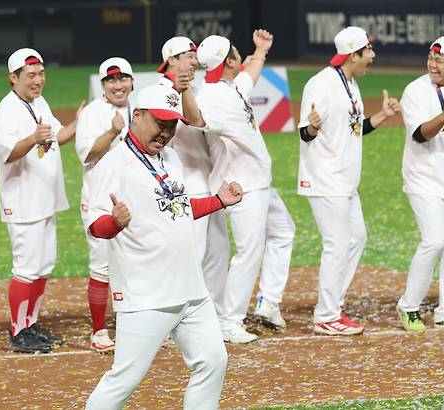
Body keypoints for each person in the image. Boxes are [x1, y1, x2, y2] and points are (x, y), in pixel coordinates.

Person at [85, 84, 237, 410]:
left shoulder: (170, 158)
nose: (166, 132)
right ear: (137, 115)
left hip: (191, 290)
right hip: (147, 295)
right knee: (123, 381)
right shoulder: (113, 165)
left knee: (212, 361)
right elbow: (96, 227)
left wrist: (219, 201)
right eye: (160, 122)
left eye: (172, 124)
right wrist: (116, 223)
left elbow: (177, 207)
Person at [298, 26, 400, 335]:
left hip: (345, 182)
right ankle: (326, 315)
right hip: (326, 178)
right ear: (353, 55)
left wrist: (381, 116)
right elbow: (305, 132)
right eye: (368, 51)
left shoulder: (350, 83)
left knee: (357, 238)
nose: (372, 56)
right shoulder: (323, 84)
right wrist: (313, 127)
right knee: (337, 244)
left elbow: (354, 127)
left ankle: (333, 305)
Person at [195, 31, 296, 343]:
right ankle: (229, 320)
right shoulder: (211, 97)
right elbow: (196, 118)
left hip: (257, 181)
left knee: (283, 232)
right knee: (248, 252)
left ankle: (267, 302)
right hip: (240, 185)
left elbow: (247, 77)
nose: (242, 56)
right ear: (228, 61)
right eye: (237, 53)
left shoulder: (227, 86)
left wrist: (260, 51)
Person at [0, 48, 83, 354]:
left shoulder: (39, 102)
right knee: (27, 268)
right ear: (13, 78)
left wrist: (80, 122)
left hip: (46, 199)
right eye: (30, 75)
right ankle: (18, 332)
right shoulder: (6, 111)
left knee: (44, 265)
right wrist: (33, 138)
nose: (37, 80)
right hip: (23, 202)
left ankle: (31, 324)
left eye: (41, 73)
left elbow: (59, 135)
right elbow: (8, 153)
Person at [156, 37, 232, 335]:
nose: (193, 59)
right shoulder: (161, 91)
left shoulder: (195, 88)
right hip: (183, 185)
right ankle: (174, 321)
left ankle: (210, 316)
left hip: (208, 182)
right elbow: (192, 120)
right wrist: (181, 87)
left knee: (218, 252)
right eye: (187, 55)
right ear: (171, 60)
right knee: (192, 255)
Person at [397, 35, 444, 331]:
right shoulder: (416, 91)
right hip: (424, 178)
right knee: (435, 240)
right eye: (430, 59)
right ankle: (409, 306)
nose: (432, 65)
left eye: (439, 60)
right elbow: (420, 134)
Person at [75, 57, 133, 353]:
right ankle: (99, 331)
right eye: (111, 80)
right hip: (100, 200)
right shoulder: (93, 113)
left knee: (138, 264)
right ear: (102, 85)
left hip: (135, 199)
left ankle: (136, 327)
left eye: (123, 79)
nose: (118, 85)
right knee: (102, 268)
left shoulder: (143, 109)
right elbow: (85, 154)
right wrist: (112, 132)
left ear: (132, 82)